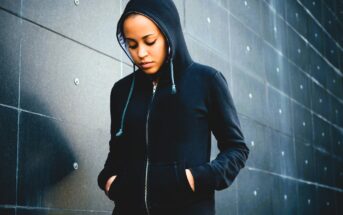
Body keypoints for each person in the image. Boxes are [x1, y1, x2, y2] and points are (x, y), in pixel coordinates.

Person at [97, 0, 250, 214]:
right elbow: (117, 150)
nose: (140, 53)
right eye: (132, 44)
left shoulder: (207, 81)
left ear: (170, 34)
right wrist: (109, 180)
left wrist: (194, 179)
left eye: (149, 41)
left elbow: (236, 148)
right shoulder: (122, 90)